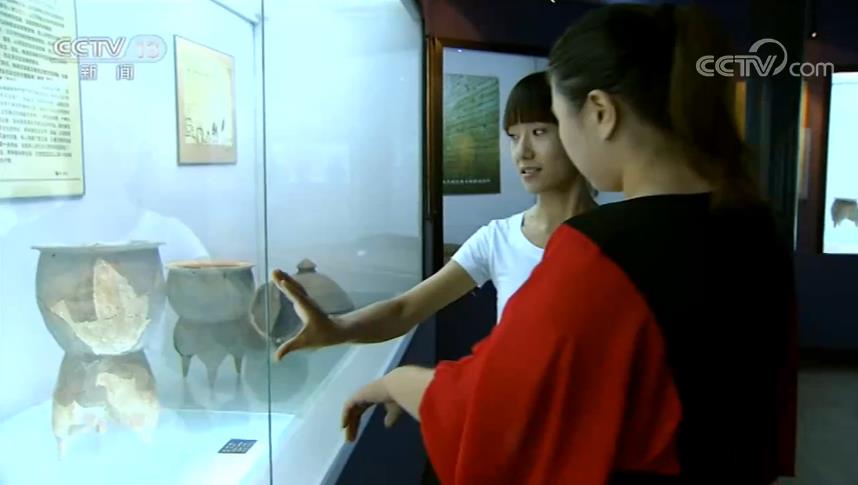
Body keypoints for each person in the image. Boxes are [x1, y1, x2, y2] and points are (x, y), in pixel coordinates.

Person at [274, 3, 799, 484]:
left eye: (553, 126)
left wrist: (396, 383)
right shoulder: (752, 225)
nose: (525, 150)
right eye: (513, 137)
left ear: (600, 112)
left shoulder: (598, 252)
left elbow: (490, 408)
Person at [272, 72, 596, 358]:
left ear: (576, 133)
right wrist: (338, 328)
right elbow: (405, 309)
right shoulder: (498, 239)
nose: (522, 152)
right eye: (513, 137)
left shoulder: (617, 234)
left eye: (539, 132)